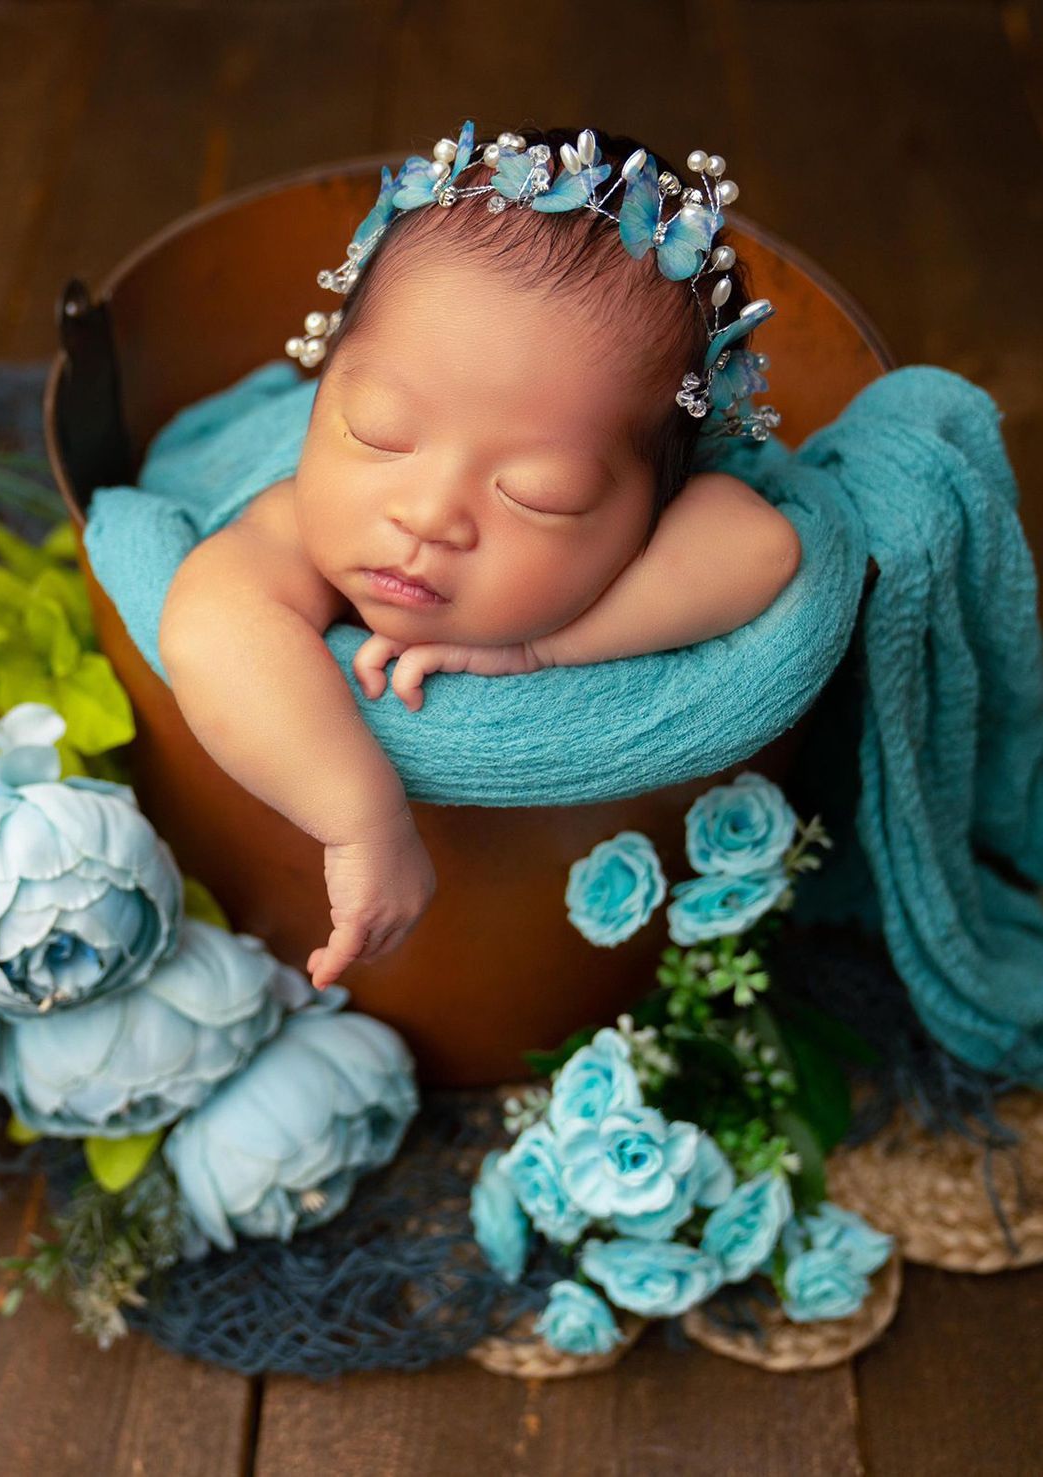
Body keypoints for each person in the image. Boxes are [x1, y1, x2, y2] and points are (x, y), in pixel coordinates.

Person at [159, 123, 800, 990]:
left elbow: (761, 546)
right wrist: (362, 820)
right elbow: (212, 621)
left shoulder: (681, 517)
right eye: (378, 433)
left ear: (653, 507)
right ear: (325, 383)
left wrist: (540, 648)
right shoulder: (300, 523)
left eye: (539, 494)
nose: (427, 516)